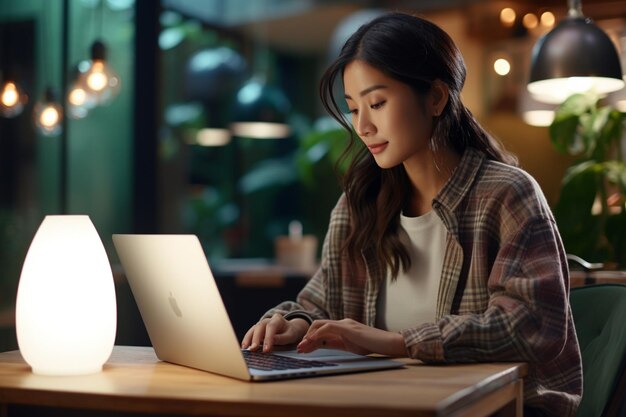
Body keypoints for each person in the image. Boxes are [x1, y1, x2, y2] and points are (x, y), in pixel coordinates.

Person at [241, 12, 582, 417]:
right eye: (353, 108)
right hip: (388, 402)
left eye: (378, 103)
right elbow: (321, 303)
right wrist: (295, 323)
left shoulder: (507, 194)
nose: (363, 125)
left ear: (436, 97)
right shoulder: (358, 205)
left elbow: (531, 326)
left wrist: (399, 342)